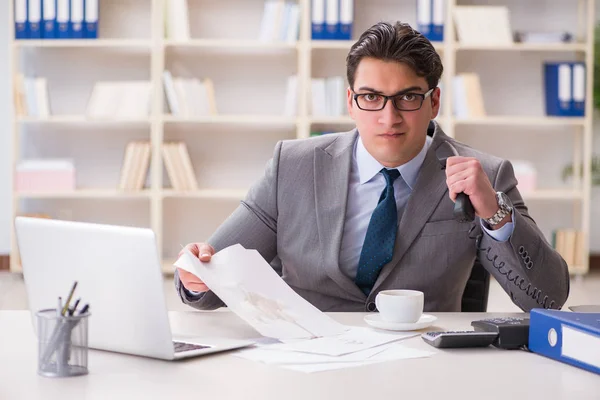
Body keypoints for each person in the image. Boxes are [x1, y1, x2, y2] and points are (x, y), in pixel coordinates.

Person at [175, 21, 569, 313]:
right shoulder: (292, 166)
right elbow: (209, 284)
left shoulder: (485, 175)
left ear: (434, 102)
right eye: (371, 98)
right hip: (307, 361)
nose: (388, 117)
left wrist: (494, 214)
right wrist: (195, 273)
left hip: (423, 367)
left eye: (408, 98)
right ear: (350, 101)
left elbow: (549, 298)